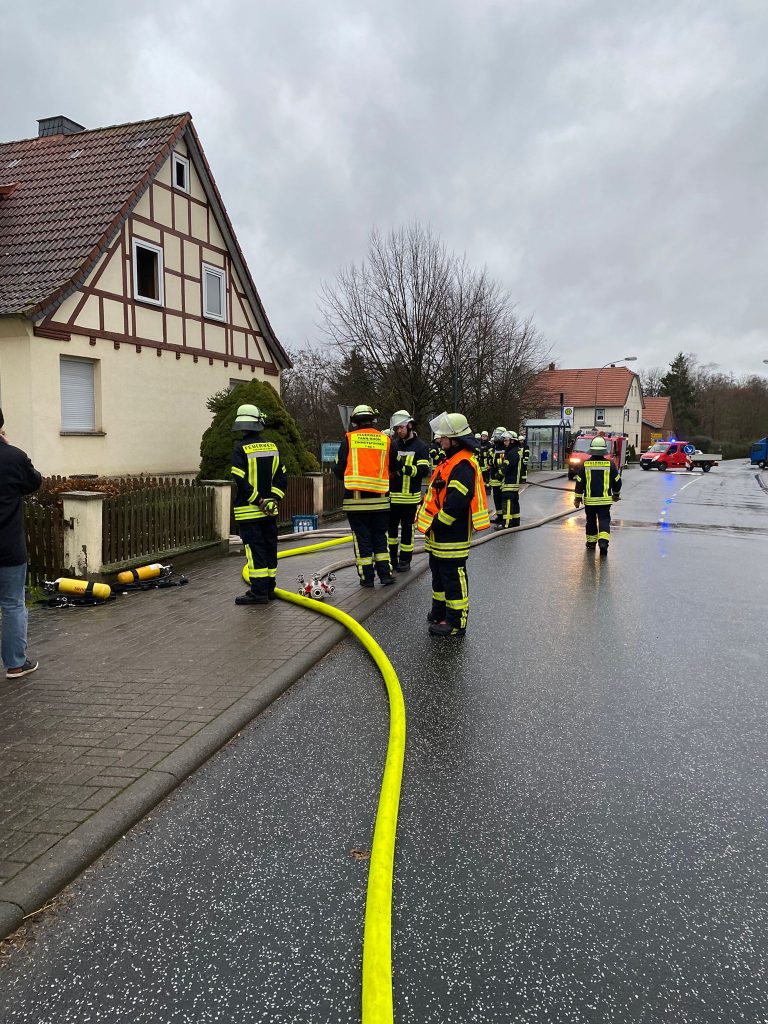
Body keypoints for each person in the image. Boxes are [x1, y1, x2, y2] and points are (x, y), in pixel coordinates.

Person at [416, 412, 490, 637]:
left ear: (455, 440)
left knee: (453, 576)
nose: (439, 440)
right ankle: (440, 612)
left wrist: (437, 524)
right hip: (438, 534)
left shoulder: (463, 464)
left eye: (443, 437)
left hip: (451, 534)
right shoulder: (450, 461)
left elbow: (456, 503)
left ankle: (456, 623)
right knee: (439, 574)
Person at [333, 404, 399, 587]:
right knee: (380, 538)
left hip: (356, 503)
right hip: (380, 502)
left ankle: (367, 578)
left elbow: (339, 470)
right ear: (373, 419)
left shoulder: (349, 439)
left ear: (355, 422)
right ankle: (385, 575)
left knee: (362, 540)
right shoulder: (385, 440)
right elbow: (395, 466)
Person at [0, 408, 42, 679]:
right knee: (13, 604)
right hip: (8, 548)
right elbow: (35, 482)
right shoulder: (14, 456)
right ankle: (15, 664)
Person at [231, 404, 287, 605]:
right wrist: (273, 499)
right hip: (270, 512)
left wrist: (258, 500)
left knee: (255, 552)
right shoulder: (272, 447)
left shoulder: (240, 448)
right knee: (270, 548)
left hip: (249, 512)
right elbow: (282, 477)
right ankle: (270, 589)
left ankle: (258, 592)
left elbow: (240, 480)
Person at [387, 410, 430, 572]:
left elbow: (424, 470)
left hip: (410, 499)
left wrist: (402, 469)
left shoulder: (421, 447)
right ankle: (391, 559)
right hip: (392, 497)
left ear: (410, 425)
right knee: (390, 533)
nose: (399, 431)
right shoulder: (394, 445)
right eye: (397, 428)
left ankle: (405, 560)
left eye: (401, 428)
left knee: (407, 532)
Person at [573, 435, 622, 556]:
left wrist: (577, 498)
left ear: (592, 449)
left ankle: (591, 543)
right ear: (604, 450)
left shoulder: (585, 464)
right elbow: (617, 482)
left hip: (590, 501)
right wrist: (616, 494)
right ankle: (603, 543)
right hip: (605, 501)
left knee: (591, 521)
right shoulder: (610, 465)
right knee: (604, 520)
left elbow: (579, 482)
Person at [499, 431, 523, 529]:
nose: (504, 443)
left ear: (512, 441)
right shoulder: (516, 450)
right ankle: (515, 522)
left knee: (507, 500)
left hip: (510, 481)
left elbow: (506, 466)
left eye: (506, 440)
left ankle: (507, 524)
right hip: (514, 481)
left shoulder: (512, 452)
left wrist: (499, 474)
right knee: (514, 501)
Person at [488, 426, 506, 523]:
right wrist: (492, 461)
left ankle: (504, 516)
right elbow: (489, 459)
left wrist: (492, 462)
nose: (496, 437)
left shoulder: (504, 447)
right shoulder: (494, 447)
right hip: (494, 478)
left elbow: (500, 462)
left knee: (503, 498)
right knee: (496, 498)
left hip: (501, 478)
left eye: (498, 435)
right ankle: (499, 516)